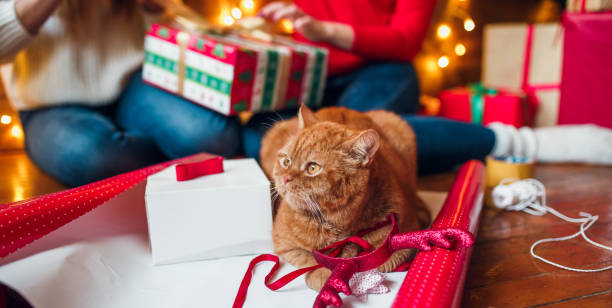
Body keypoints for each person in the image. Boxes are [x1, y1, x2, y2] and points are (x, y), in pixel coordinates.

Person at [244, 1, 612, 171]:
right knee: (258, 140)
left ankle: (521, 142)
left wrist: (324, 31)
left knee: (354, 142)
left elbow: (406, 39)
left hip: (380, 70)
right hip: (302, 79)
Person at [0, 0, 243, 187]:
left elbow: (177, 27)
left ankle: (141, 172)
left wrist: (153, 4)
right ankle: (177, 172)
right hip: (46, 102)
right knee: (95, 157)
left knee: (214, 136)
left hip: (133, 81)